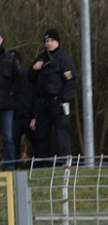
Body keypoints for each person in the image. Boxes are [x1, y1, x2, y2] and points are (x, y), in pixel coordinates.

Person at [28, 29, 77, 166]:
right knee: (42, 134)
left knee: (61, 131)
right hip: (42, 102)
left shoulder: (64, 59)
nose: (49, 43)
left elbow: (71, 81)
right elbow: (30, 79)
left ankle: (64, 162)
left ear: (58, 42)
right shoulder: (40, 58)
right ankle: (43, 164)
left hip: (58, 101)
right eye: (47, 41)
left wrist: (63, 99)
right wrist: (34, 69)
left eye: (52, 41)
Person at [0, 30, 21, 170]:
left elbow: (18, 80)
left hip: (7, 106)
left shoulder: (10, 59)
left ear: (1, 39)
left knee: (8, 137)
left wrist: (11, 93)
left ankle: (10, 167)